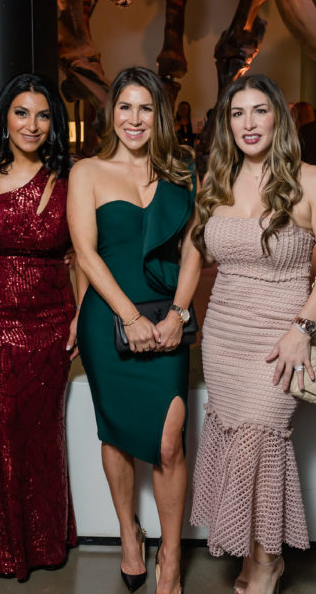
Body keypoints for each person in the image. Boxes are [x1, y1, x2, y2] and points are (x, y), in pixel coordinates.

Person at [189, 74, 316, 594]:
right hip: (224, 333)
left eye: (259, 111)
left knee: (262, 439)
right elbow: (202, 252)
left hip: (281, 335)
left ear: (278, 116)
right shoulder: (215, 179)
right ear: (226, 123)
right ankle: (256, 555)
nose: (248, 123)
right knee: (237, 438)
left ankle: (266, 562)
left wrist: (303, 329)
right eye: (238, 113)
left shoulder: (313, 182)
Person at [68, 66, 201, 594]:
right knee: (116, 433)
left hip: (169, 318)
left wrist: (178, 315)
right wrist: (129, 317)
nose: (134, 119)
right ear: (112, 113)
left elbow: (194, 248)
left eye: (146, 108)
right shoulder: (89, 172)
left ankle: (171, 556)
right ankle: (129, 532)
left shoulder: (183, 169)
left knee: (170, 441)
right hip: (111, 318)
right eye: (125, 107)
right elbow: (85, 254)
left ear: (159, 116)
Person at [0, 72, 81, 579]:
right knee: (3, 425)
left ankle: (47, 540)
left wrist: (79, 314)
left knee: (44, 431)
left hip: (53, 317)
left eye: (42, 115)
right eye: (21, 113)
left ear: (53, 122)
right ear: (5, 118)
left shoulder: (70, 178)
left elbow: (79, 255)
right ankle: (4, 547)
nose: (31, 125)